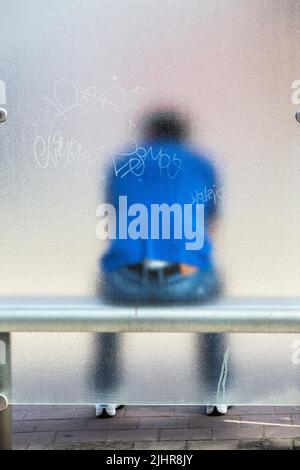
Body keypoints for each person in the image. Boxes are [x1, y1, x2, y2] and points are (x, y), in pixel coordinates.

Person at [96, 108, 226, 417]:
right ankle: (217, 391)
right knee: (215, 295)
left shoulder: (123, 162)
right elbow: (211, 221)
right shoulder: (203, 163)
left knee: (104, 296)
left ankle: (105, 393)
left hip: (127, 281)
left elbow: (110, 219)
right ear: (185, 134)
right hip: (186, 280)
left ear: (148, 133)